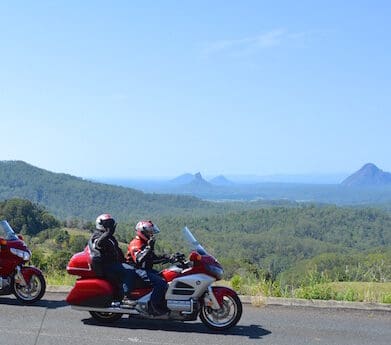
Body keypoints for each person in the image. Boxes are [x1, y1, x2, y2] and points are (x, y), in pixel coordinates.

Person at [126, 220, 170, 315]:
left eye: (152, 232)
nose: (151, 234)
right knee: (160, 283)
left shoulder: (145, 243)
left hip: (144, 269)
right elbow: (139, 259)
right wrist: (149, 247)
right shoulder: (136, 243)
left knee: (166, 277)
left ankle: (163, 304)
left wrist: (168, 257)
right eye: (149, 232)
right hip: (136, 271)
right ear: (142, 232)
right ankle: (153, 307)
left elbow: (151, 259)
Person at [89, 213, 137, 300]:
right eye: (107, 223)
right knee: (130, 271)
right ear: (100, 224)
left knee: (134, 268)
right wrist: (107, 234)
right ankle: (127, 297)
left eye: (111, 223)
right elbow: (99, 243)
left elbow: (117, 251)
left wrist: (126, 261)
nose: (110, 226)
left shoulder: (110, 237)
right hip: (106, 266)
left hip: (114, 263)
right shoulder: (97, 235)